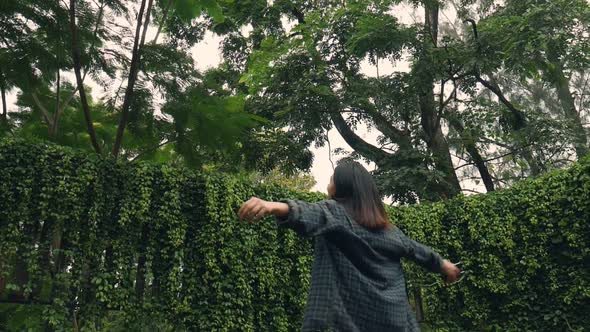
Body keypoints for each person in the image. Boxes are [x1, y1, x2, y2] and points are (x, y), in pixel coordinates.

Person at [238, 161, 460, 332]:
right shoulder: (391, 232)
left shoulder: (336, 213)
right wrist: (445, 266)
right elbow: (419, 252)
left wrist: (271, 206)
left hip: (348, 322)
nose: (330, 179)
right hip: (396, 321)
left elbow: (309, 213)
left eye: (333, 176)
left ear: (342, 185)